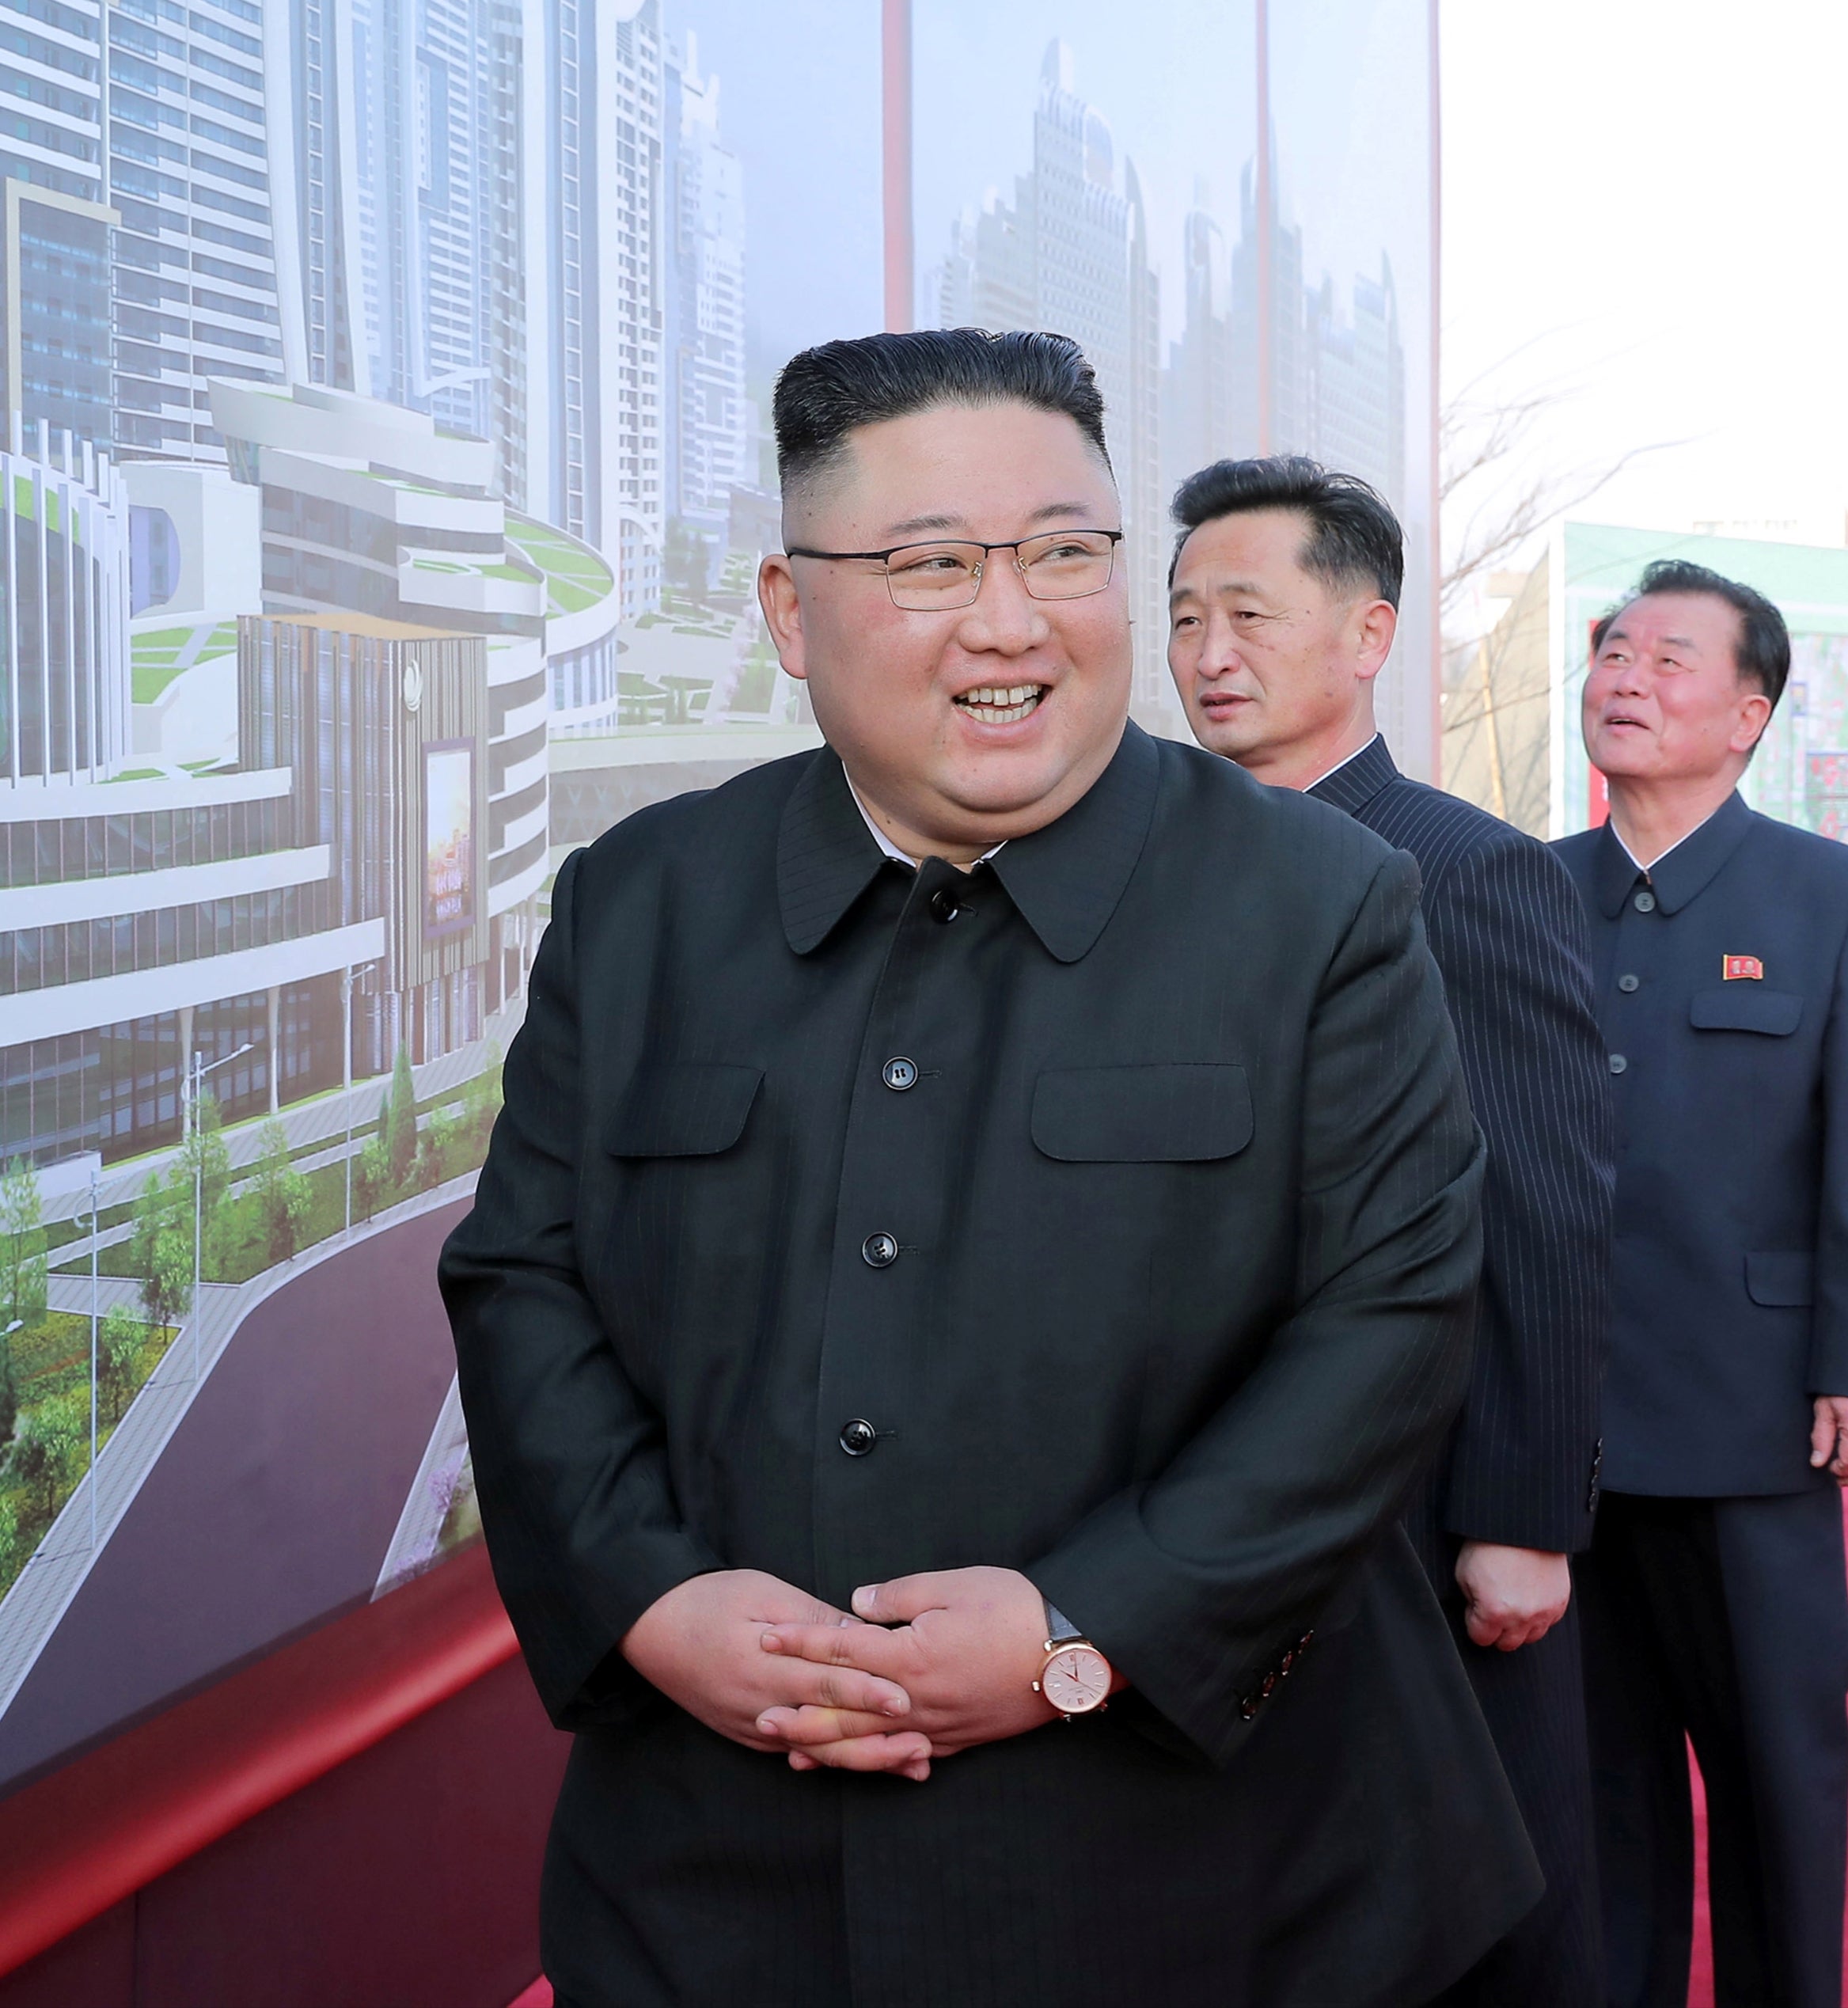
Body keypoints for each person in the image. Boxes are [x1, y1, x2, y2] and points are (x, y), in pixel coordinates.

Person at [439, 328, 1542, 2008]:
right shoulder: (644, 903)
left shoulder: (1318, 905)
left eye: (1063, 554)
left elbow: (1386, 1324)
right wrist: (650, 1598)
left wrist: (1074, 1627)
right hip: (722, 1878)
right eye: (930, 563)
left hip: (1214, 1882)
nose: (1011, 619)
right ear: (791, 612)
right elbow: (525, 1275)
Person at [1166, 454, 1615, 2007]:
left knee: (1450, 1910)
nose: (1207, 652)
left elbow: (1541, 1209)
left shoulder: (1460, 870)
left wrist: (1518, 1508)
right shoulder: (1130, 869)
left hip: (1409, 1520)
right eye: (1181, 618)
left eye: (1245, 612)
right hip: (1184, 1510)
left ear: (1365, 635)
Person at [1554, 560, 1848, 2008]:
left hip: (1747, 1423)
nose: (1625, 677)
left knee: (1779, 1773)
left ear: (1746, 712)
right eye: (1610, 651)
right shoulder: (1528, 891)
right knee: (1597, 1788)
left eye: (1667, 658)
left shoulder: (1836, 899)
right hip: (1562, 1429)